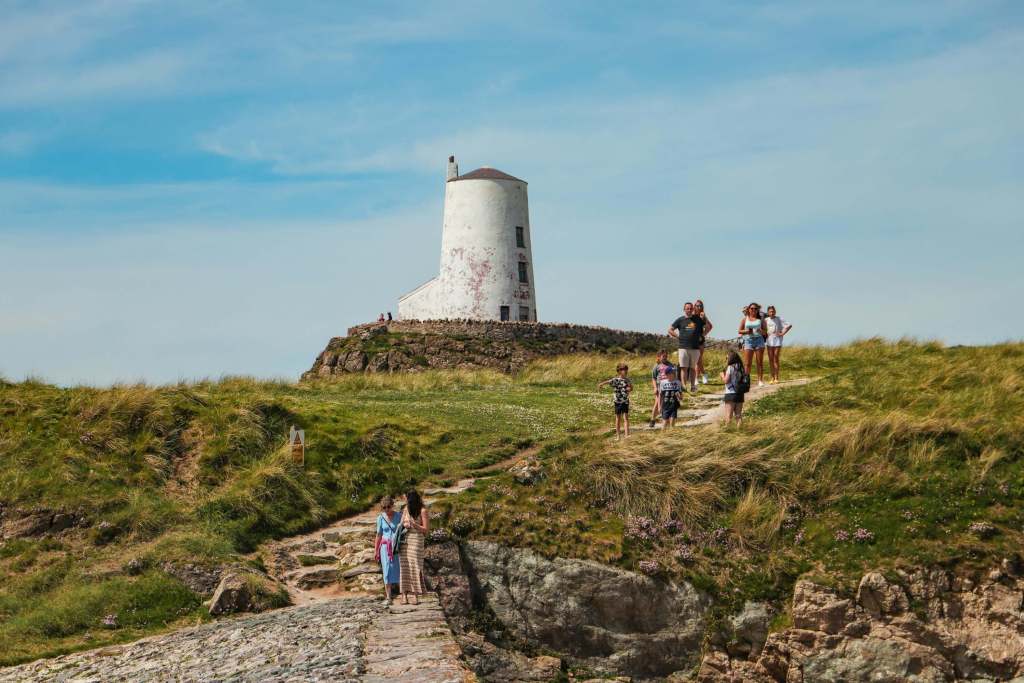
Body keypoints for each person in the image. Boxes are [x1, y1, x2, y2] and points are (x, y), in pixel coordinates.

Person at [399, 489, 429, 605]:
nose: (405, 500)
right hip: (405, 540)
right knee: (404, 566)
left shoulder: (423, 511)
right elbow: (401, 523)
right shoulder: (406, 509)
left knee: (415, 566)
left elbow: (426, 530)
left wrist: (415, 525)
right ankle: (404, 595)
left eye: (406, 498)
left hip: (417, 539)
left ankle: (415, 595)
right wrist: (405, 524)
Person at [668, 302, 706, 393]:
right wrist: (677, 336)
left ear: (693, 309)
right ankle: (684, 386)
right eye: (687, 308)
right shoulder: (680, 319)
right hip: (683, 347)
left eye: (690, 308)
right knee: (683, 368)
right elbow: (670, 329)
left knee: (692, 368)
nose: (689, 310)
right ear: (684, 309)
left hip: (695, 347)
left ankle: (693, 386)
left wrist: (702, 335)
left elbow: (707, 325)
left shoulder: (697, 319)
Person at [373, 496, 402, 604]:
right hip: (385, 548)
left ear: (392, 506)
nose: (386, 509)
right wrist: (376, 550)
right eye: (384, 507)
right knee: (386, 570)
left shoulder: (399, 516)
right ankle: (389, 597)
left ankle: (403, 594)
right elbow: (378, 535)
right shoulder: (380, 518)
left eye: (388, 507)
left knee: (399, 569)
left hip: (397, 547)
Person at [597, 363, 632, 439]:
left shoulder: (627, 380)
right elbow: (608, 381)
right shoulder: (616, 380)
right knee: (618, 418)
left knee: (626, 418)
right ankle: (618, 436)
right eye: (623, 370)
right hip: (617, 402)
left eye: (626, 370)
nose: (625, 371)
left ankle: (627, 435)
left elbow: (631, 388)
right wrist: (601, 384)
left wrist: (630, 388)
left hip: (625, 401)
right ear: (619, 371)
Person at [738, 303, 768, 388]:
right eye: (751, 308)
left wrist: (761, 331)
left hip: (759, 341)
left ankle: (760, 380)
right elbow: (739, 331)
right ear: (748, 309)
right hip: (748, 341)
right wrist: (747, 331)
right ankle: (746, 380)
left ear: (758, 310)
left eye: (755, 308)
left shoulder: (761, 319)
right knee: (747, 363)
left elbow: (765, 332)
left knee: (759, 362)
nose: (753, 310)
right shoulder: (745, 319)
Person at [764, 305, 792, 384]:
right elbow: (763, 328)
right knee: (770, 359)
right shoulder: (766, 320)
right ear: (768, 312)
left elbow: (789, 325)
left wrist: (783, 333)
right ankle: (772, 377)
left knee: (775, 358)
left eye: (773, 311)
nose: (772, 313)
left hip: (777, 340)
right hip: (769, 340)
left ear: (775, 311)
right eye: (770, 311)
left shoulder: (779, 318)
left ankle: (776, 377)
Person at [648, 350, 675, 429]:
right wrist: (655, 387)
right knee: (657, 403)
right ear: (659, 357)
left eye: (666, 356)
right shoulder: (657, 366)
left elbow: (673, 376)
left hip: (668, 387)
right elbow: (653, 378)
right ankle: (653, 419)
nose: (665, 358)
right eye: (663, 356)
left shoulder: (670, 365)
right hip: (660, 387)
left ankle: (666, 421)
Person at [721, 351, 747, 426]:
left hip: (730, 393)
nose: (726, 360)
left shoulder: (730, 367)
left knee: (728, 416)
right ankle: (740, 430)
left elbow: (726, 381)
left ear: (731, 359)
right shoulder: (741, 367)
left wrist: (722, 375)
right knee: (738, 415)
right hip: (740, 393)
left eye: (727, 358)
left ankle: (727, 430)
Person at [694, 299, 714, 385]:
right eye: (697, 305)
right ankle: (703, 375)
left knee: (698, 359)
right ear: (694, 306)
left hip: (700, 340)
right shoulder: (692, 315)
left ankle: (696, 378)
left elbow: (710, 326)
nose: (699, 307)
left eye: (700, 306)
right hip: (692, 340)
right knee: (697, 360)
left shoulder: (703, 316)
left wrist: (703, 334)